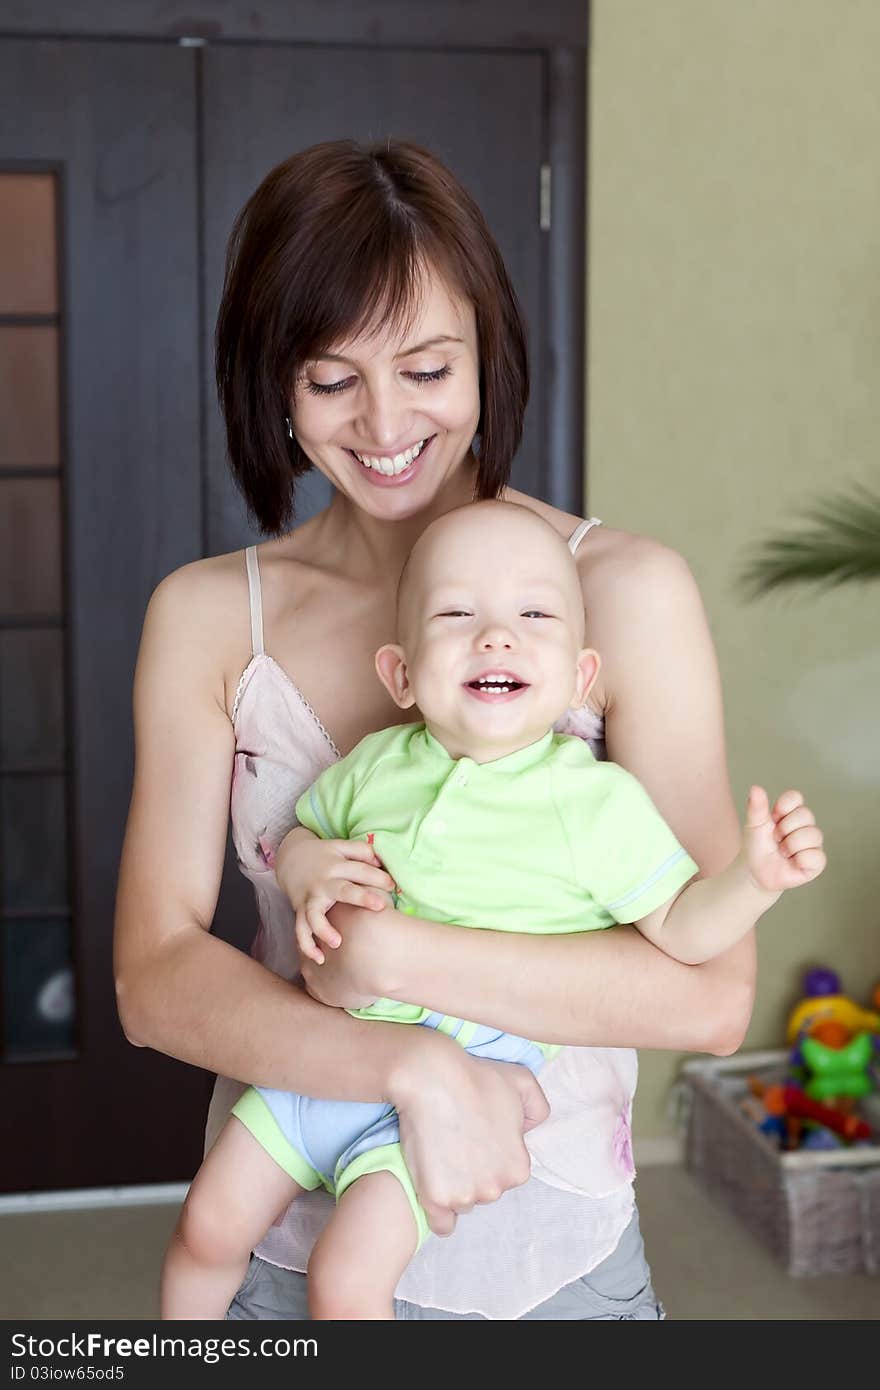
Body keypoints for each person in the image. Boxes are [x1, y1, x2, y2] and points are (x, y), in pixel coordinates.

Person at [114, 139, 765, 1322]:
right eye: (330, 379)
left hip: (554, 1259)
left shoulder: (624, 592)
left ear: (486, 354)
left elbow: (708, 994)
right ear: (271, 383)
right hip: (283, 1244)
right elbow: (153, 976)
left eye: (426, 367)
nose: (385, 423)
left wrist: (392, 961)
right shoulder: (209, 617)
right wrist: (407, 1064)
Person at [159, 501, 825, 1319]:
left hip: (451, 1101)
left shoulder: (593, 806)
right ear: (400, 674)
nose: (496, 636)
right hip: (322, 1065)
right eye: (457, 614)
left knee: (347, 1280)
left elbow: (684, 930)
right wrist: (305, 869)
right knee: (206, 1226)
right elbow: (300, 832)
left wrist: (755, 881)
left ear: (581, 678)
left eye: (533, 614)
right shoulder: (377, 766)